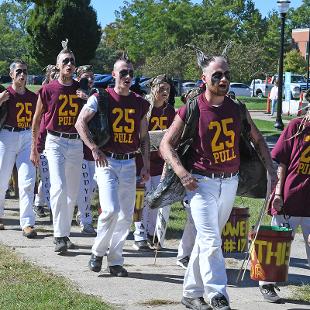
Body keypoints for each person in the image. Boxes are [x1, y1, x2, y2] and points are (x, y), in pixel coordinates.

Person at [159, 51, 277, 310]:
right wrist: (182, 173)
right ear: (204, 78)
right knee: (212, 239)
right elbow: (166, 145)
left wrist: (271, 170)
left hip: (230, 182)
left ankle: (190, 294)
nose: (224, 79)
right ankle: (217, 294)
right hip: (200, 184)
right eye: (217, 75)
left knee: (206, 240)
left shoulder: (237, 109)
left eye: (227, 75)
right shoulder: (192, 108)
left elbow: (257, 140)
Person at [75, 54, 150, 277]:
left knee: (126, 215)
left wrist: (145, 165)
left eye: (130, 73)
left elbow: (144, 137)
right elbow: (80, 123)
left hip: (129, 162)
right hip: (106, 160)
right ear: (114, 74)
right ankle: (97, 252)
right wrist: (94, 148)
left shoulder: (140, 103)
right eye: (123, 72)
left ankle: (115, 260)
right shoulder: (101, 97)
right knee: (110, 209)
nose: (127, 76)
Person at [30, 40, 84, 254]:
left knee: (72, 191)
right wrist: (35, 147)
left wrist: (88, 97)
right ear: (58, 66)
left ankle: (65, 233)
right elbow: (36, 119)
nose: (69, 64)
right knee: (59, 187)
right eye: (65, 61)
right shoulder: (48, 89)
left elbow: (95, 114)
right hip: (55, 141)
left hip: (76, 142)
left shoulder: (82, 89)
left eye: (72, 61)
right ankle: (58, 236)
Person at [258, 110, 310, 303]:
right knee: (277, 245)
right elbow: (282, 163)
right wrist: (277, 193)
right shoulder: (297, 126)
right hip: (290, 198)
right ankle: (267, 284)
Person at [133, 74, 175, 251]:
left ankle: (153, 233)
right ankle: (139, 234)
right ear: (153, 88)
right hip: (142, 161)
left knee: (157, 200)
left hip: (160, 162)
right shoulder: (144, 107)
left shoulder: (170, 111)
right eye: (161, 88)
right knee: (141, 200)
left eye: (167, 89)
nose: (165, 92)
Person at [0, 60, 38, 237]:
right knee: (1, 179)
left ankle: (27, 223)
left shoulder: (33, 97)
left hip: (26, 137)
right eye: (18, 72)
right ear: (11, 74)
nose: (22, 75)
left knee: (27, 181)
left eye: (24, 71)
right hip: (7, 136)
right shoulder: (5, 94)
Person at [33, 65, 59, 218]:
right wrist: (36, 144)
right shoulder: (44, 93)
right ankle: (42, 204)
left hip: (56, 142)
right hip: (43, 139)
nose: (56, 77)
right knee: (46, 176)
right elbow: (37, 120)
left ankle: (41, 203)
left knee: (51, 177)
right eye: (53, 75)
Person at [75, 65, 97, 235]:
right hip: (78, 148)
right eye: (85, 77)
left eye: (92, 77)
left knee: (92, 186)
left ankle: (82, 213)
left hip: (96, 148)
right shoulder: (73, 92)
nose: (89, 80)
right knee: (84, 185)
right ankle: (86, 220)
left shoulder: (97, 94)